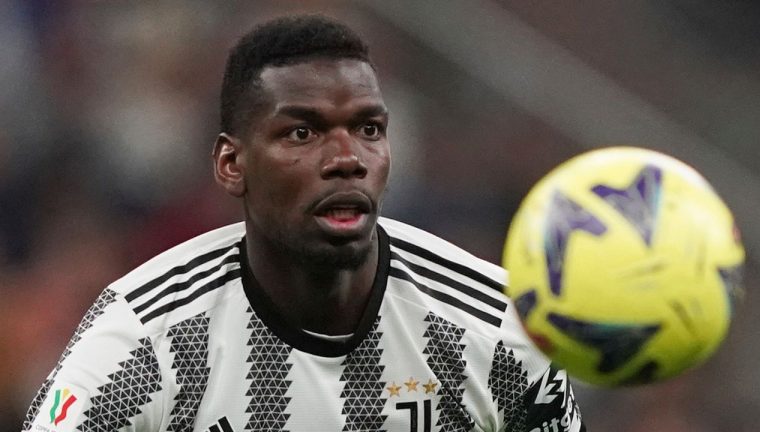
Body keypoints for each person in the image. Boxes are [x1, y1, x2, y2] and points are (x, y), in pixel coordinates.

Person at [24, 15, 585, 432]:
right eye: (303, 133)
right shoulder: (147, 337)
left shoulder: (494, 329)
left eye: (368, 129)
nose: (348, 158)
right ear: (231, 164)